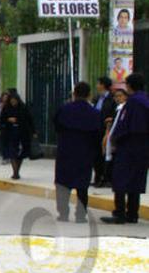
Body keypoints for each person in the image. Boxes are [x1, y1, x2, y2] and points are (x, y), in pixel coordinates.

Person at [101, 72, 149, 224]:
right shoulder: (144, 100)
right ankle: (132, 213)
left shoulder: (133, 102)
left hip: (129, 147)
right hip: (141, 147)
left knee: (120, 179)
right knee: (135, 180)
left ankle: (120, 212)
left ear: (130, 86)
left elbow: (127, 125)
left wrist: (115, 139)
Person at [52, 82, 102, 223]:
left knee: (63, 185)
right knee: (82, 185)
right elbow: (97, 133)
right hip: (85, 153)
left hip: (65, 151)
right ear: (89, 95)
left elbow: (56, 126)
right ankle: (80, 215)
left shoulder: (64, 109)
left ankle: (63, 214)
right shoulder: (94, 113)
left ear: (74, 93)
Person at [0, 89, 34, 180]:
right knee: (12, 152)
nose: (13, 101)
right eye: (11, 100)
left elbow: (29, 120)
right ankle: (15, 173)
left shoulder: (23, 108)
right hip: (10, 133)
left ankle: (17, 171)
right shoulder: (6, 108)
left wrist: (33, 132)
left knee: (21, 154)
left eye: (15, 100)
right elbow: (1, 120)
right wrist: (8, 120)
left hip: (22, 133)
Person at [93, 76, 117, 187]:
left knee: (104, 154)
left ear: (103, 85)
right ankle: (97, 176)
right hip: (96, 129)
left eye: (98, 83)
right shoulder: (97, 98)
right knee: (96, 154)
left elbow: (113, 113)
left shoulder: (112, 99)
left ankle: (106, 177)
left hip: (106, 130)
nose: (97, 86)